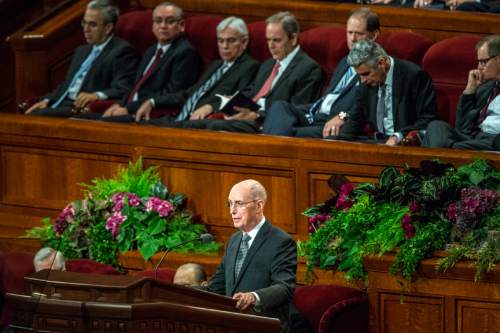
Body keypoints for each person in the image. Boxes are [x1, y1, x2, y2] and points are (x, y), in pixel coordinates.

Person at [185, 11, 323, 134]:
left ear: (293, 39)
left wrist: (257, 115)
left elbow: (297, 110)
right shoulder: (268, 65)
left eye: (276, 40)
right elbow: (250, 92)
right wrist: (229, 103)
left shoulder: (308, 68)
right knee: (189, 125)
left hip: (266, 123)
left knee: (211, 127)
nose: (271, 46)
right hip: (245, 118)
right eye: (268, 40)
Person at [262, 7, 380, 138]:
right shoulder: (344, 62)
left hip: (332, 122)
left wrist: (342, 116)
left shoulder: (374, 67)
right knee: (279, 107)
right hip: (314, 112)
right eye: (349, 32)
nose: (353, 39)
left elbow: (363, 106)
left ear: (373, 36)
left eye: (359, 33)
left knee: (286, 133)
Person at [132, 16, 259, 125]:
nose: (225, 46)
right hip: (178, 119)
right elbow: (189, 94)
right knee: (128, 123)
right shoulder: (215, 65)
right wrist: (153, 101)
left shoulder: (250, 66)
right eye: (221, 41)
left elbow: (242, 100)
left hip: (198, 124)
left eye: (231, 41)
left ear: (244, 42)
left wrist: (211, 107)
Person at [208, 179, 297, 332]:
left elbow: (284, 287)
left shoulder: (281, 242)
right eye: (230, 203)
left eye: (239, 203)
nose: (232, 210)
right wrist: (179, 291)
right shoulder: (234, 241)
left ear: (258, 206)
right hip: (232, 326)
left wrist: (254, 297)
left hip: (264, 327)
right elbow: (217, 286)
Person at [25, 0, 139, 117]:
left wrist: (97, 95)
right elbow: (67, 85)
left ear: (108, 28)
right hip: (62, 103)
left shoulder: (122, 51)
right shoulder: (82, 51)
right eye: (84, 23)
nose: (86, 29)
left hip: (81, 108)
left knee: (35, 116)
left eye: (92, 24)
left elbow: (123, 88)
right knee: (29, 113)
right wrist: (47, 100)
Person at [95, 2, 202, 120]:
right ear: (153, 25)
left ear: (181, 25)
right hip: (131, 108)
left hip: (152, 113)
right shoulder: (151, 50)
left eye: (170, 21)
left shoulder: (185, 53)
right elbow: (136, 86)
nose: (163, 26)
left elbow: (172, 94)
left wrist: (128, 108)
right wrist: (119, 104)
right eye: (158, 21)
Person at [335, 40, 437, 145]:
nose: (362, 80)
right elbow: (357, 116)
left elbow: (427, 119)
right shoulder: (366, 78)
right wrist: (339, 141)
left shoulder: (414, 76)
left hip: (404, 143)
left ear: (381, 63)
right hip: (377, 141)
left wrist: (398, 136)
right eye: (359, 75)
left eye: (366, 74)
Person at [423, 35, 500, 150]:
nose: (479, 67)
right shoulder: (488, 88)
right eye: (478, 62)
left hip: (494, 141)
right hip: (474, 139)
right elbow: (462, 128)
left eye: (483, 62)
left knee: (445, 145)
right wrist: (470, 91)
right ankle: (450, 152)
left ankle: (448, 153)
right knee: (436, 127)